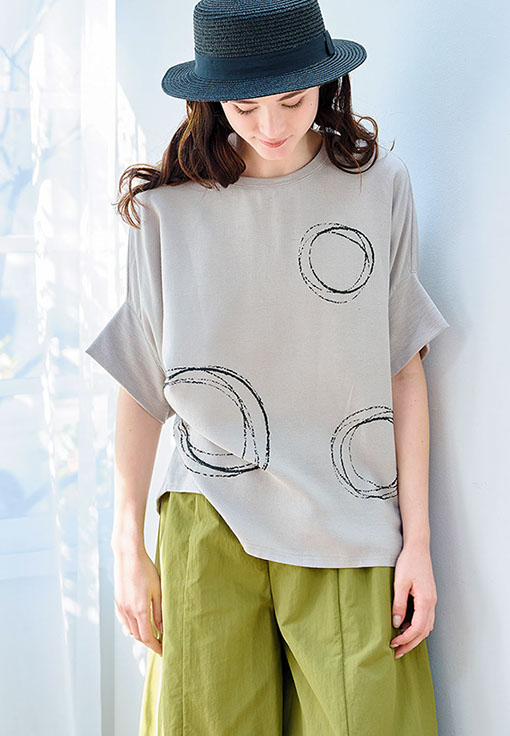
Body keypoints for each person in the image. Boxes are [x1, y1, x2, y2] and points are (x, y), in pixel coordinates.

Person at [84, 0, 450, 733]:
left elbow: (402, 368)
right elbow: (141, 383)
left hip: (348, 514)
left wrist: (419, 542)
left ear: (327, 83)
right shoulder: (168, 210)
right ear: (211, 99)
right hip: (207, 515)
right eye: (245, 107)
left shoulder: (378, 185)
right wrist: (128, 547)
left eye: (292, 100)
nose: (272, 127)